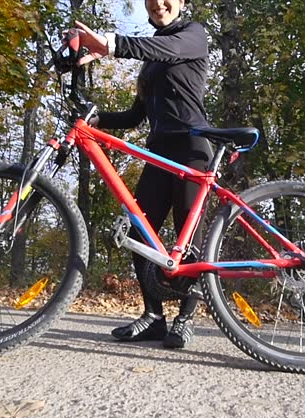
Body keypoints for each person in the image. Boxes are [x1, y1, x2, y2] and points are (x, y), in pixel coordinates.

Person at [73, 0, 211, 349]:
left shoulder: (193, 35)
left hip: (192, 152)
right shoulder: (150, 62)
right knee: (139, 231)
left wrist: (113, 44)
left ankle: (186, 319)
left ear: (182, 3)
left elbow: (170, 48)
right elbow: (136, 116)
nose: (158, 4)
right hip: (158, 153)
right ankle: (154, 317)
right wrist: (98, 119)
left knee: (187, 240)